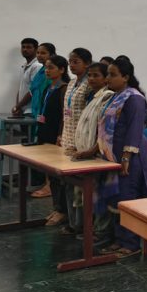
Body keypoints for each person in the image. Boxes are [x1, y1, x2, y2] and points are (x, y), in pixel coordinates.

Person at [97, 58, 147, 258]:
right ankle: (118, 238)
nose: (108, 78)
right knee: (114, 198)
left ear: (126, 77)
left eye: (112, 74)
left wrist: (126, 158)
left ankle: (131, 244)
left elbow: (134, 129)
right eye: (108, 74)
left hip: (130, 157)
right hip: (111, 157)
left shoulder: (135, 98)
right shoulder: (114, 96)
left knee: (127, 199)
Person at [71, 62, 115, 244]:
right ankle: (88, 228)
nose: (91, 79)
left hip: (96, 155)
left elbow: (104, 131)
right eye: (89, 75)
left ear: (106, 78)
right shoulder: (93, 96)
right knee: (84, 194)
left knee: (97, 195)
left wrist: (91, 150)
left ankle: (100, 232)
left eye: (96, 75)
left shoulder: (107, 97)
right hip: (85, 153)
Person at [58, 48, 94, 235]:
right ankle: (73, 222)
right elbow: (66, 112)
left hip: (82, 140)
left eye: (76, 62)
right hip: (68, 138)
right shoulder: (72, 83)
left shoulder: (89, 85)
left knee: (80, 187)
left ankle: (81, 225)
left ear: (87, 64)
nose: (71, 65)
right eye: (70, 62)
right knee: (68, 184)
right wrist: (62, 136)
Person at [35, 55, 70, 226]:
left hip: (56, 135)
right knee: (51, 175)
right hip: (45, 132)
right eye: (46, 68)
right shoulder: (49, 87)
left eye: (51, 68)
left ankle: (62, 210)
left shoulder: (64, 88)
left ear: (62, 70)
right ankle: (56, 208)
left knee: (58, 177)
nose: (47, 71)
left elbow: (64, 115)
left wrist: (60, 135)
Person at [29, 42, 56, 198]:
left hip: (49, 118)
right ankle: (46, 183)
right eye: (38, 53)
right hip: (38, 113)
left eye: (43, 53)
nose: (39, 55)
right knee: (41, 151)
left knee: (49, 153)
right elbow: (34, 91)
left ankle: (50, 185)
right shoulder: (41, 71)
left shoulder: (55, 80)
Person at [12, 38, 43, 117]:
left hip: (31, 110)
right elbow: (21, 89)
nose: (25, 49)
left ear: (36, 49)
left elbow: (33, 90)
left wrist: (18, 106)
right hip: (23, 109)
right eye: (23, 47)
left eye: (29, 47)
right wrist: (18, 107)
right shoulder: (24, 66)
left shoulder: (37, 66)